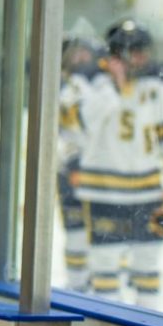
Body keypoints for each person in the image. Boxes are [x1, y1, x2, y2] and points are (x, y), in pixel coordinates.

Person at [72, 19, 163, 307]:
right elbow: (84, 125)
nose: (143, 58)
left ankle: (148, 325)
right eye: (135, 51)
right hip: (103, 191)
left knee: (148, 259)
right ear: (117, 53)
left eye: (144, 51)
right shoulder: (92, 82)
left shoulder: (156, 87)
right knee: (105, 262)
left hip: (146, 190)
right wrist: (115, 86)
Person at [57, 34, 104, 292]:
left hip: (98, 170)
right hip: (72, 169)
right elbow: (54, 131)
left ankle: (97, 278)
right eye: (76, 53)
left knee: (101, 232)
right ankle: (76, 282)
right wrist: (70, 158)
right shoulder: (60, 87)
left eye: (85, 52)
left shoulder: (96, 84)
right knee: (75, 229)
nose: (82, 57)